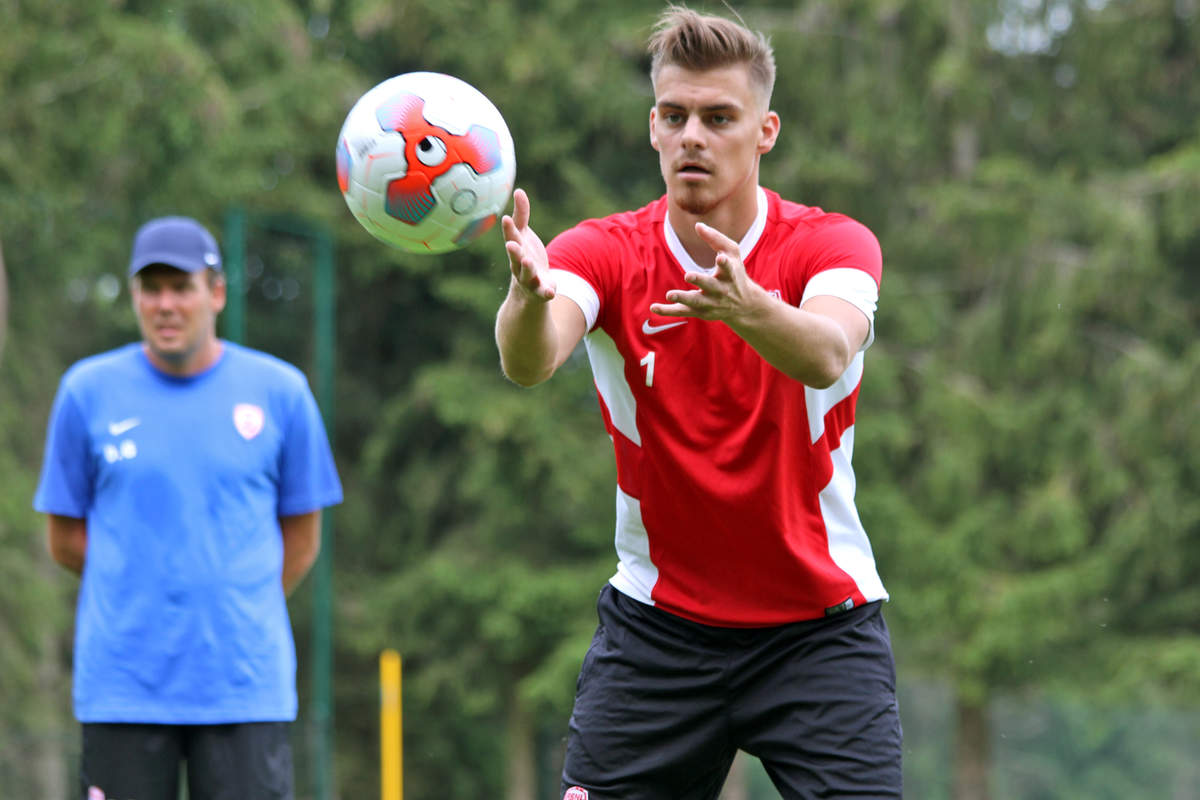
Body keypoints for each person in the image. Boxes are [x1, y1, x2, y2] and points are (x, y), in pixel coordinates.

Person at [496, 5, 901, 799]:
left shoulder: (834, 245)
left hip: (820, 631)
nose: (693, 136)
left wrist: (748, 308)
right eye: (675, 116)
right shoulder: (604, 251)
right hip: (657, 633)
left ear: (766, 131)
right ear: (652, 127)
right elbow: (530, 361)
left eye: (719, 118)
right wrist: (528, 297)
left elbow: (824, 353)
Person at [34, 216, 343, 800]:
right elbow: (65, 539)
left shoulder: (282, 392)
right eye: (151, 289)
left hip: (244, 687)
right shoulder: (85, 392)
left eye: (182, 287)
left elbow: (302, 539)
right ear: (134, 297)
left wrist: (234, 600)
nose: (166, 304)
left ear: (217, 293)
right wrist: (140, 582)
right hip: (122, 687)